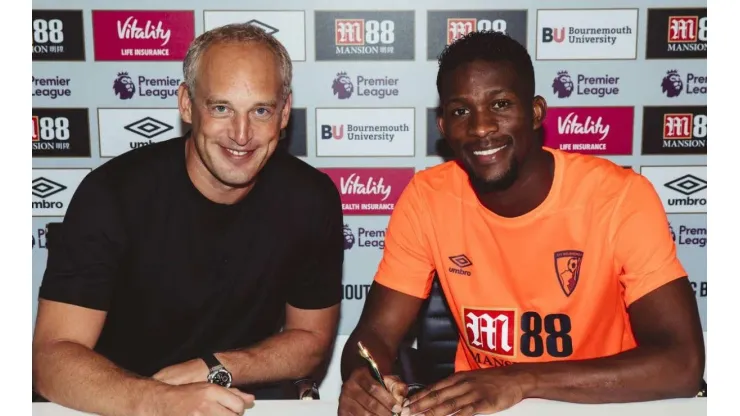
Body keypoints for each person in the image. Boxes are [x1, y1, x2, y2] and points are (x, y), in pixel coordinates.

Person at [338, 30, 705, 416]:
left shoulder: (620, 196)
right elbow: (374, 335)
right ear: (443, 125)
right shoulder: (426, 198)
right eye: (461, 111)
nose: (481, 127)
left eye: (500, 104)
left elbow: (682, 363)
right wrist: (366, 379)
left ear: (534, 113)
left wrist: (521, 380)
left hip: (603, 404)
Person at [32, 23, 344, 415]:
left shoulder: (310, 199)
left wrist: (214, 369)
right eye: (221, 108)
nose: (241, 134)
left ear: (284, 114)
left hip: (239, 401)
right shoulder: (112, 194)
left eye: (260, 110)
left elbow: (311, 341)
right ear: (185, 104)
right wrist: (161, 401)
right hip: (115, 403)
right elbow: (51, 357)